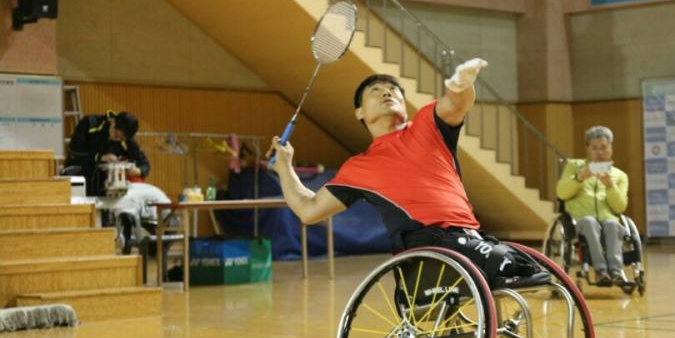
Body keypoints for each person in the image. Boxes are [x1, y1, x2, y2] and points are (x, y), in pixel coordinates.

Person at [269, 59, 542, 287]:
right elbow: (308, 209)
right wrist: (285, 168)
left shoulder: (426, 125)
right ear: (359, 112)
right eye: (376, 90)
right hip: (425, 247)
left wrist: (461, 84)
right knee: (503, 261)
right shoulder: (358, 167)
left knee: (531, 266)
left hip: (469, 236)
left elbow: (456, 104)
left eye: (394, 90)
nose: (387, 93)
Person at [556, 126, 629, 286]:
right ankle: (601, 270)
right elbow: (561, 193)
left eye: (604, 147)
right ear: (587, 148)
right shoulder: (574, 166)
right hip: (581, 221)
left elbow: (620, 207)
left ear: (611, 148)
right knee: (589, 221)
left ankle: (616, 271)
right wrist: (579, 178)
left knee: (612, 224)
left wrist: (610, 186)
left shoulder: (620, 175)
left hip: (608, 220)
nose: (599, 152)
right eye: (594, 148)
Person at [65, 110, 150, 196]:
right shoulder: (89, 123)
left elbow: (144, 164)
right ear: (113, 121)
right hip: (76, 177)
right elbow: (74, 150)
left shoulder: (126, 140)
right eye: (116, 134)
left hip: (101, 187)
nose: (117, 139)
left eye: (121, 138)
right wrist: (100, 157)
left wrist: (138, 171)